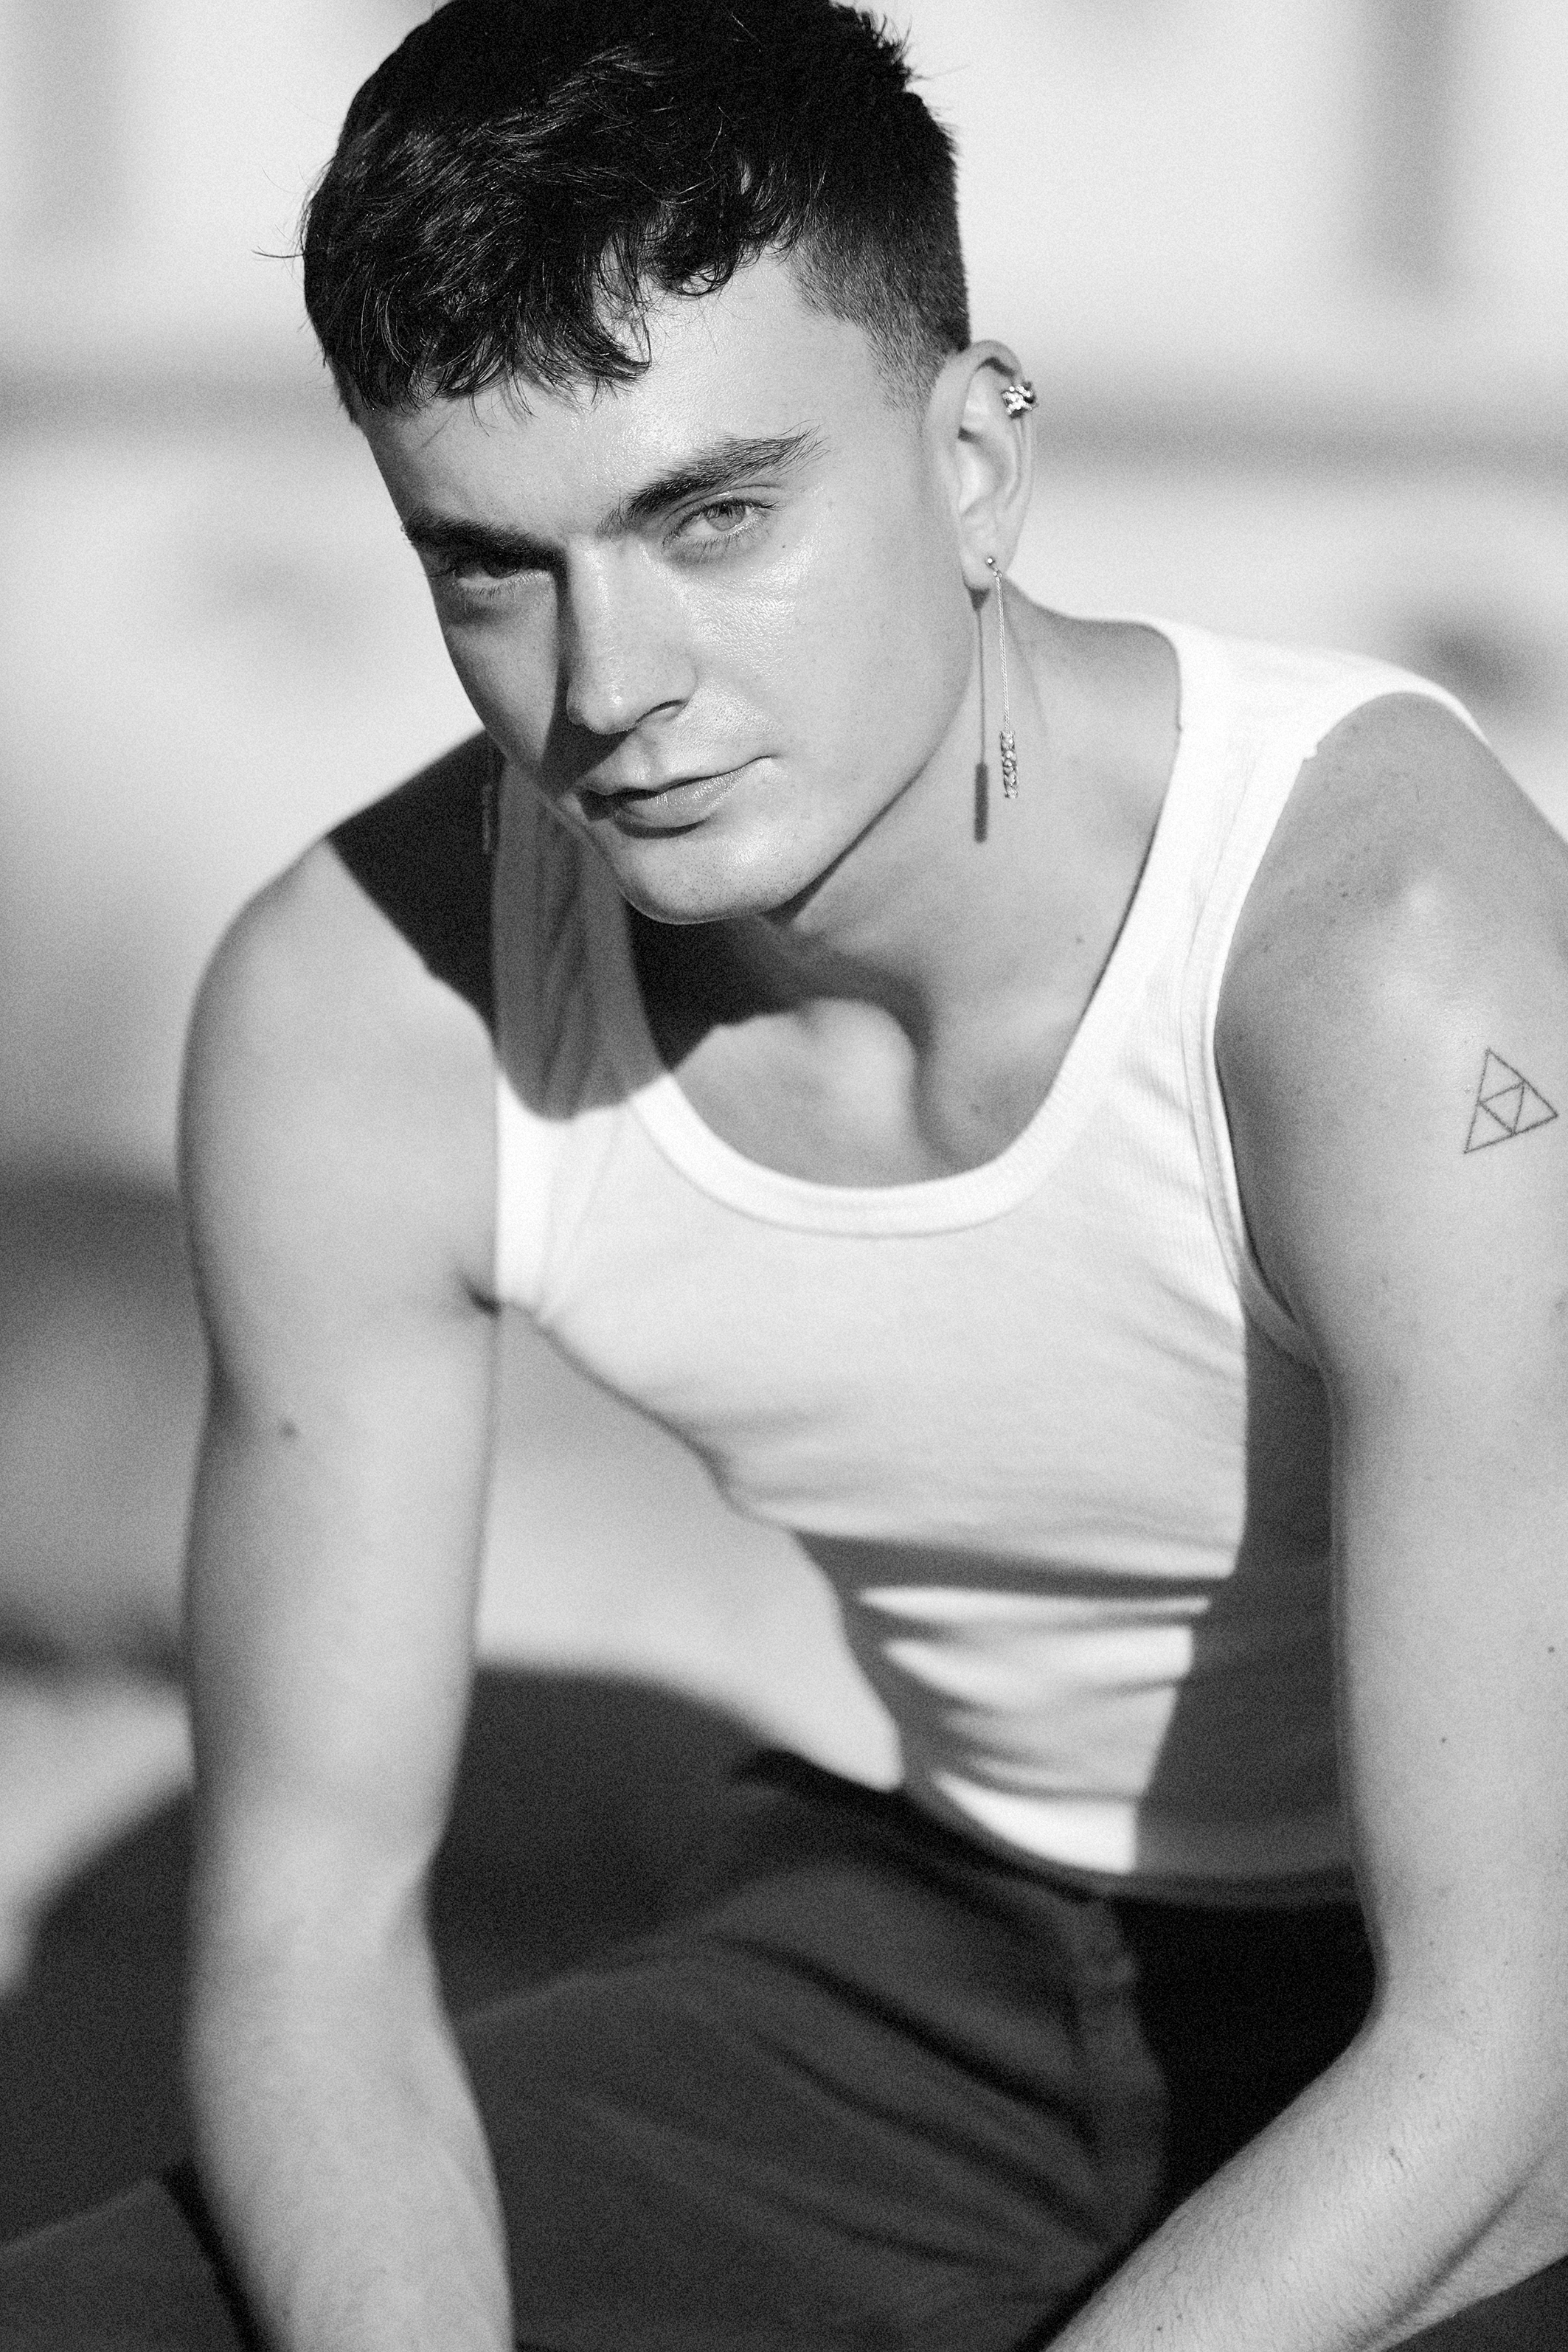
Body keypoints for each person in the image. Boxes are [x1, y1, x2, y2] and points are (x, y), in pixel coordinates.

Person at [4, 1, 1568, 2345]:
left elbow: (1509, 2063)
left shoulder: (1384, 964)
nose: (608, 684)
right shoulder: (367, 1022)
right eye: (491, 568)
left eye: (713, 516)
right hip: (978, 1972)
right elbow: (314, 1939)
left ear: (976, 457)